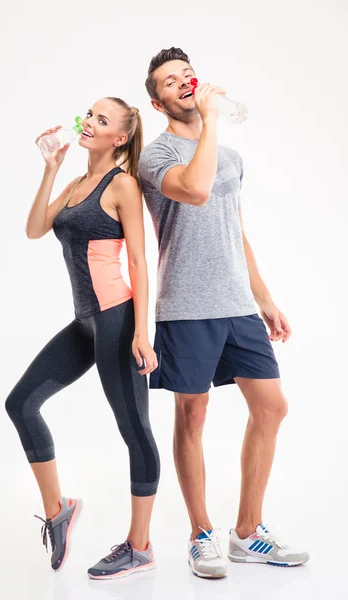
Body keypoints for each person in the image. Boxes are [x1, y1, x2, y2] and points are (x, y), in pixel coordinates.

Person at [138, 47, 309, 578]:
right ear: (157, 101)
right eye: (170, 82)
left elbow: (233, 231)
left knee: (272, 407)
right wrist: (210, 121)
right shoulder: (156, 157)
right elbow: (194, 190)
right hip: (186, 306)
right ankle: (201, 534)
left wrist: (264, 298)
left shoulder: (231, 156)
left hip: (236, 304)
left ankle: (247, 532)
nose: (184, 83)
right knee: (192, 416)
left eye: (187, 75)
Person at [5, 97, 160, 579]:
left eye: (102, 120)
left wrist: (141, 332)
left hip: (115, 321)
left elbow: (137, 260)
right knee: (21, 404)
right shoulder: (75, 184)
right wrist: (51, 169)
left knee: (134, 430)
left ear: (120, 138)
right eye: (89, 114)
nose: (89, 122)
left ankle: (141, 545)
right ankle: (58, 511)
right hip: (84, 322)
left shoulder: (124, 185)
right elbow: (35, 229)